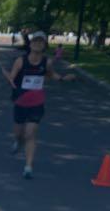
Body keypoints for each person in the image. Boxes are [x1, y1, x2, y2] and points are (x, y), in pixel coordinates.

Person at [6, 30, 76, 179]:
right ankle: (18, 141)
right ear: (30, 44)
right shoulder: (20, 61)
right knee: (19, 133)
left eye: (41, 42)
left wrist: (62, 78)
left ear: (44, 45)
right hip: (20, 101)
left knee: (30, 134)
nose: (37, 44)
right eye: (35, 41)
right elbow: (12, 78)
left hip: (36, 103)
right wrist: (9, 78)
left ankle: (28, 167)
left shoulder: (46, 62)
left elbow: (50, 74)